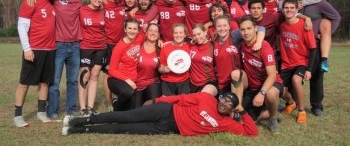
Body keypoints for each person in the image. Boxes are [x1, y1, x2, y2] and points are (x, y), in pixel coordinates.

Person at [62, 92, 258, 137]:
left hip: (167, 127)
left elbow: (252, 132)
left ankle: (81, 130)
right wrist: (157, 101)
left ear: (233, 109)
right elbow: (180, 97)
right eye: (224, 99)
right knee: (125, 116)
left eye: (230, 104)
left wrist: (242, 111)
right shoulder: (207, 98)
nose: (224, 104)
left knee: (127, 129)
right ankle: (81, 119)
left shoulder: (226, 123)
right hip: (165, 110)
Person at [293, 0, 341, 116]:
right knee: (296, 74)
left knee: (316, 76)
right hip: (298, 46)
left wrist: (327, 33)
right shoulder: (293, 3)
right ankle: (295, 102)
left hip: (315, 45)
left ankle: (317, 106)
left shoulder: (319, 2)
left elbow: (336, 17)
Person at [14, 0, 57, 127]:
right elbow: (22, 26)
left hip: (50, 49)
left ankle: (41, 112)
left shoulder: (51, 3)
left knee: (44, 82)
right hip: (34, 49)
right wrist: (27, 48)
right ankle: (18, 115)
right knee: (24, 82)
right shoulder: (31, 0)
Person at [232, 16, 284, 133]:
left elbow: (272, 75)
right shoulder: (242, 46)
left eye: (249, 28)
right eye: (243, 29)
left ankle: (273, 118)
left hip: (271, 84)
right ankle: (270, 110)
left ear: (256, 28)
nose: (246, 32)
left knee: (270, 94)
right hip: (253, 88)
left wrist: (261, 93)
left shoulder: (264, 46)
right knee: (247, 119)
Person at [278, 0, 331, 72]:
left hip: (312, 25)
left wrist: (304, 2)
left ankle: (324, 59)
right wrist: (302, 15)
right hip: (296, 22)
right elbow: (281, 7)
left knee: (326, 23)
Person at [279, 0, 317, 124]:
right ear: (283, 10)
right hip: (286, 63)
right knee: (279, 88)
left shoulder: (305, 25)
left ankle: (302, 111)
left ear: (297, 10)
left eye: (291, 8)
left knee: (296, 81)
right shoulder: (282, 26)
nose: (289, 10)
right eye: (286, 8)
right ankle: (291, 103)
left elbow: (313, 48)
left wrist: (309, 70)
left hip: (301, 62)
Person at [78, 0, 106, 116]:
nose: (98, 0)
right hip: (86, 46)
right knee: (85, 75)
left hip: (100, 47)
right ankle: (82, 107)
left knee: (95, 76)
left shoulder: (103, 10)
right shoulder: (81, 9)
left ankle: (90, 107)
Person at [107, 18, 145, 111]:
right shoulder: (119, 48)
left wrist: (160, 41)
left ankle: (121, 109)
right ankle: (115, 107)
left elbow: (152, 35)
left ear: (138, 30)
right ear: (125, 29)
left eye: (134, 29)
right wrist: (127, 80)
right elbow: (112, 70)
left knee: (133, 109)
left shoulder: (140, 38)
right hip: (116, 80)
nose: (132, 31)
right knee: (128, 92)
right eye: (130, 28)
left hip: (132, 81)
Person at [102, 0, 125, 111]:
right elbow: (87, 2)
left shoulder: (123, 3)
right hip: (108, 45)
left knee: (119, 72)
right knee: (107, 74)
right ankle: (109, 103)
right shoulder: (104, 3)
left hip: (121, 45)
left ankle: (117, 99)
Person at [158, 23, 191, 95]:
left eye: (181, 32)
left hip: (184, 81)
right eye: (176, 33)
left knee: (183, 105)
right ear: (172, 34)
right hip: (167, 82)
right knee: (167, 106)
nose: (178, 35)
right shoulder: (165, 47)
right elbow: (160, 68)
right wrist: (164, 69)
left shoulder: (189, 46)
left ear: (185, 34)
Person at [213, 15, 241, 97]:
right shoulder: (214, 40)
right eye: (219, 26)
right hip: (222, 83)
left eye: (225, 25)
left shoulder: (235, 36)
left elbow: (259, 28)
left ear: (229, 26)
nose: (222, 29)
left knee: (232, 105)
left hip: (237, 80)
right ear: (215, 27)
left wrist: (259, 41)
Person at [135, 23, 162, 108]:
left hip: (153, 83)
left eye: (155, 31)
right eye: (150, 30)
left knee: (152, 108)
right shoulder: (138, 46)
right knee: (136, 111)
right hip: (137, 84)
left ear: (158, 35)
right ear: (146, 32)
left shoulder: (161, 48)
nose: (153, 33)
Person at [189, 24, 217, 95]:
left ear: (205, 32)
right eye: (194, 35)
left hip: (208, 82)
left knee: (203, 98)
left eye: (199, 34)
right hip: (192, 83)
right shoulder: (191, 45)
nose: (197, 37)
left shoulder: (213, 46)